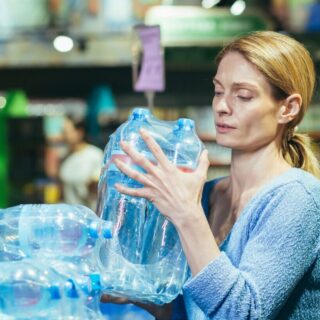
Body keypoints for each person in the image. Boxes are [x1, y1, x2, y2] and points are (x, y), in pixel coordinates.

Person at [103, 31, 320, 320]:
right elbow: (200, 312)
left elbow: (242, 314)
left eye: (243, 96)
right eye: (218, 91)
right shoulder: (207, 195)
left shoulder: (296, 198)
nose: (221, 106)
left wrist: (186, 214)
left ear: (288, 108)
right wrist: (147, 298)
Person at [59, 116, 103, 211]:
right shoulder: (64, 157)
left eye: (66, 132)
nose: (63, 135)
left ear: (79, 133)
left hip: (90, 216)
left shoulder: (94, 155)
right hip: (70, 217)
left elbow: (99, 189)